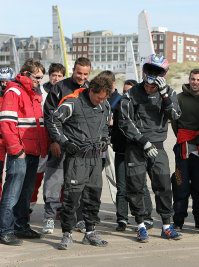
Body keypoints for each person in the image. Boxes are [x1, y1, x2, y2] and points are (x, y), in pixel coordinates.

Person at [119, 54, 182, 242]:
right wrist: (143, 141)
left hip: (158, 148)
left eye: (152, 85)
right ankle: (140, 225)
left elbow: (176, 115)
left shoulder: (168, 93)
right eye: (147, 83)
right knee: (135, 187)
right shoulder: (131, 94)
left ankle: (166, 226)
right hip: (137, 147)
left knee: (163, 185)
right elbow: (124, 121)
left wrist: (163, 95)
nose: (149, 87)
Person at [47, 74, 112, 250]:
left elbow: (106, 124)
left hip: (96, 158)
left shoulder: (104, 104)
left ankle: (90, 232)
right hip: (76, 159)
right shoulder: (72, 102)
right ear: (91, 90)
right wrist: (64, 142)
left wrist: (106, 138)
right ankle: (67, 233)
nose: (101, 101)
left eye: (104, 98)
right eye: (99, 97)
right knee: (72, 198)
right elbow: (53, 121)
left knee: (93, 197)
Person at [0, 59, 50, 246]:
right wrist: (16, 150)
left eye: (41, 77)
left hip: (33, 151)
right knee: (13, 191)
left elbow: (39, 124)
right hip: (20, 152)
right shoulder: (14, 92)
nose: (39, 80)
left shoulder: (33, 93)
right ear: (26, 74)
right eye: (37, 77)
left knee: (26, 191)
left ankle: (21, 225)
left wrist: (42, 148)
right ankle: (5, 229)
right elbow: (7, 124)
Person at [42, 57, 90, 234]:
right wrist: (55, 141)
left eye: (85, 74)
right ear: (73, 70)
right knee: (53, 182)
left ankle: (79, 219)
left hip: (80, 147)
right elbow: (49, 116)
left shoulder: (89, 89)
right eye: (79, 73)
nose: (81, 77)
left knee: (78, 184)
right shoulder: (59, 88)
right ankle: (49, 217)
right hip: (60, 144)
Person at [109, 78, 154, 232]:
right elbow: (113, 129)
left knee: (141, 186)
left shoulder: (142, 108)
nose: (127, 93)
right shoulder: (118, 107)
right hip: (121, 152)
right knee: (121, 187)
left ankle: (147, 217)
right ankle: (122, 218)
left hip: (138, 153)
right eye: (124, 91)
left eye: (130, 90)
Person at [170, 69, 199, 230]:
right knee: (181, 184)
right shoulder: (178, 98)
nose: (195, 82)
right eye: (193, 79)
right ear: (189, 79)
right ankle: (178, 220)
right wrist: (184, 136)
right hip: (183, 145)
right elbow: (174, 122)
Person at [30, 63, 66, 214]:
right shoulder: (40, 91)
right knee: (38, 173)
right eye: (53, 75)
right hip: (43, 137)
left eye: (59, 76)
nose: (56, 78)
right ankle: (29, 206)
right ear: (49, 76)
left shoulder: (66, 90)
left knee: (60, 175)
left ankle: (59, 208)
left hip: (60, 137)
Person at [0, 67, 15, 200]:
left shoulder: (15, 94)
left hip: (12, 142)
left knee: (13, 174)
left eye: (7, 81)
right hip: (0, 142)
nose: (4, 84)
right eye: (2, 81)